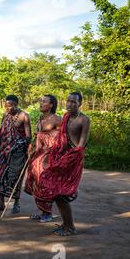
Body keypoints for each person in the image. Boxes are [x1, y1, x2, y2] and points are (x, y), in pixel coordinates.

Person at [38, 92, 90, 236]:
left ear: (80, 104)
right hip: (61, 158)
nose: (69, 104)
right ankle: (66, 224)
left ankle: (71, 227)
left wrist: (69, 158)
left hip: (73, 160)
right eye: (68, 101)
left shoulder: (84, 120)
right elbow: (60, 139)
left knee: (61, 193)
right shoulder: (66, 117)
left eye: (73, 102)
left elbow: (81, 145)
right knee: (54, 191)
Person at [0, 95, 31, 214]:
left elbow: (28, 137)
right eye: (6, 105)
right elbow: (2, 133)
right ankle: (1, 203)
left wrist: (18, 144)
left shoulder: (24, 116)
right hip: (3, 151)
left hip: (17, 153)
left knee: (15, 178)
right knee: (0, 175)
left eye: (11, 105)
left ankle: (16, 204)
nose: (8, 108)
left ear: (17, 104)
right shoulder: (5, 115)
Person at [24, 95, 62, 222]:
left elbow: (63, 137)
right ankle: (43, 211)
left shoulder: (57, 119)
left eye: (44, 101)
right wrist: (31, 147)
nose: (41, 103)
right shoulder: (40, 119)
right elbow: (37, 136)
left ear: (51, 105)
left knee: (45, 181)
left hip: (49, 156)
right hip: (38, 155)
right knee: (36, 180)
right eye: (40, 101)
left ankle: (48, 213)